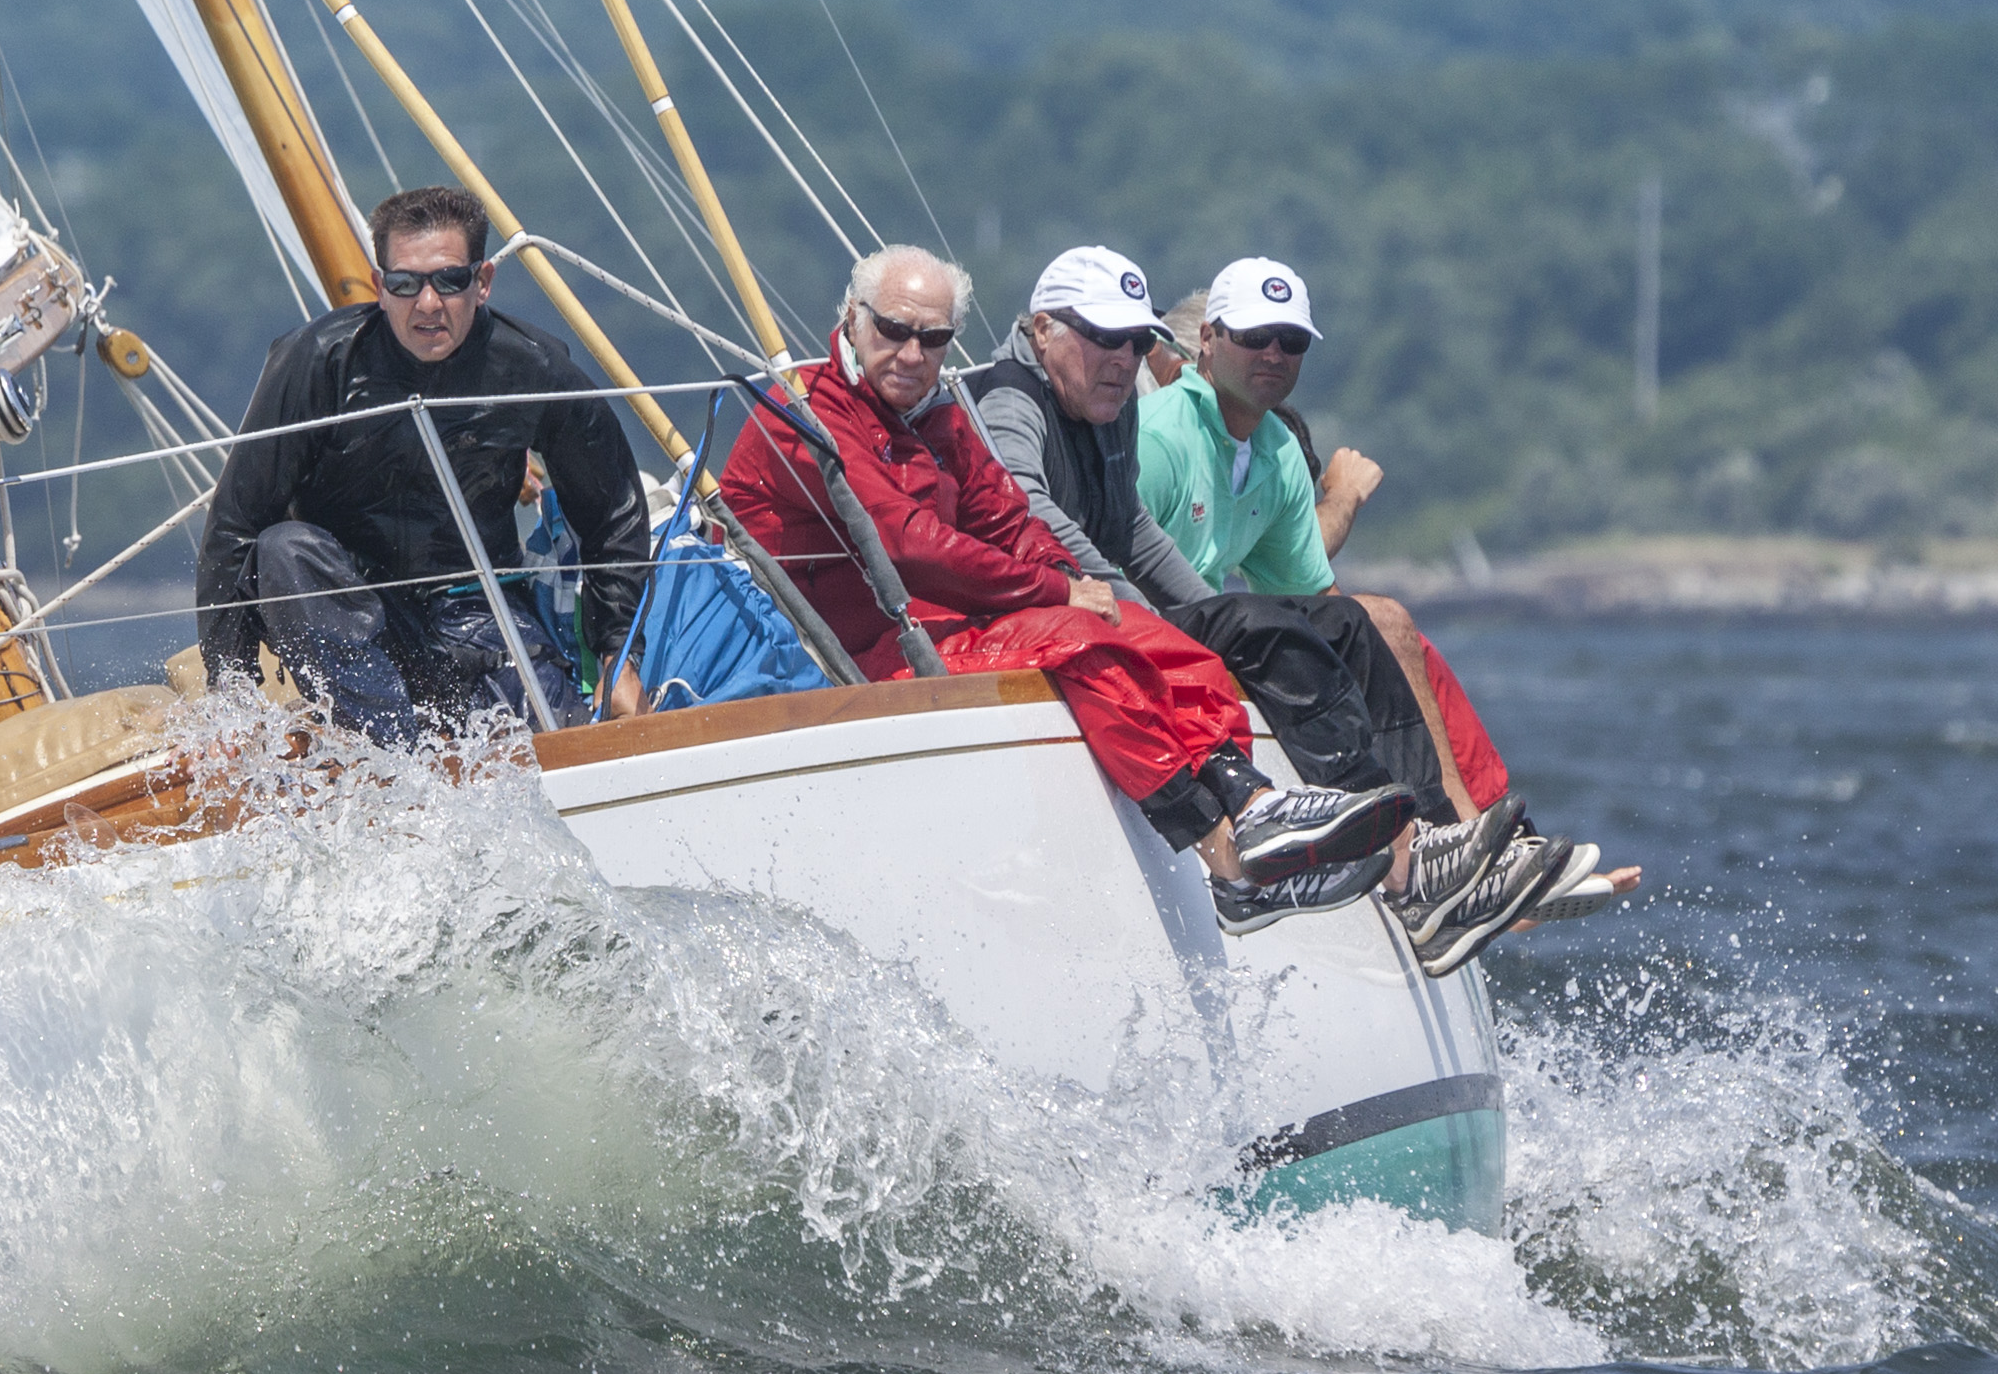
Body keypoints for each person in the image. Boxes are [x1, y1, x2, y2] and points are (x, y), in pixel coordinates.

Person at [712, 244, 1475, 921]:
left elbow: (1008, 519)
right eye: (894, 331)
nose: (913, 353)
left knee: (1153, 632)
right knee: (1084, 639)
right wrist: (1055, 593)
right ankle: (1228, 858)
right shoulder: (802, 412)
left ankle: (1255, 799)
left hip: (942, 628)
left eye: (934, 338)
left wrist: (1069, 580)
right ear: (852, 318)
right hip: (853, 654)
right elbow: (909, 545)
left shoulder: (939, 417)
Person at [1137, 257, 1622, 965]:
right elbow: (1098, 559)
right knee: (1274, 629)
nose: (1273, 354)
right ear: (1207, 341)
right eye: (1253, 337)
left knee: (1365, 623)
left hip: (1207, 622)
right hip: (1138, 623)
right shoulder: (1159, 436)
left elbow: (1321, 603)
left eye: (1290, 341)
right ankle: (1416, 859)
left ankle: (1440, 859)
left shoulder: (1270, 448)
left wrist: (1356, 655)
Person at [968, 245, 1453, 831]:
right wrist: (1137, 608)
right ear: (1043, 329)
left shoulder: (1112, 404)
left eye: (1137, 342)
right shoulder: (1013, 397)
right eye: (1104, 335)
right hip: (1052, 618)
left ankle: (1433, 827)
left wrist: (1203, 608)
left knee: (1348, 622)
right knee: (1259, 625)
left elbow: (1132, 527)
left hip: (1116, 610)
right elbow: (1028, 504)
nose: (1124, 359)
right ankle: (1383, 836)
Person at [197, 186, 652, 740]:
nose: (428, 303)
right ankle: (390, 756)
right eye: (405, 283)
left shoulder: (531, 369)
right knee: (283, 548)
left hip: (480, 616)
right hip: (358, 621)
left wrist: (617, 653)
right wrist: (232, 703)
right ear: (378, 286)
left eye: (450, 280)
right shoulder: (317, 362)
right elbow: (234, 528)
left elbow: (614, 512)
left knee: (562, 742)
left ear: (482, 282)